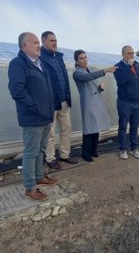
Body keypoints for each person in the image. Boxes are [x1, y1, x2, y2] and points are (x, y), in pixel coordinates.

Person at [8, 32, 58, 201]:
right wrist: (35, 107)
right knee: (31, 152)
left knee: (41, 150)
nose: (39, 45)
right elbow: (17, 90)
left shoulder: (39, 63)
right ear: (24, 46)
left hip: (45, 116)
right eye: (35, 42)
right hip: (33, 117)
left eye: (38, 43)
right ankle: (30, 188)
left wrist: (48, 109)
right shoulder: (18, 64)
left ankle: (39, 176)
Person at [40, 31, 78, 169]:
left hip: (63, 100)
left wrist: (67, 96)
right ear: (43, 41)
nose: (55, 43)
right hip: (50, 102)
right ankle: (50, 158)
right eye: (51, 40)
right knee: (50, 131)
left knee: (66, 128)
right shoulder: (40, 58)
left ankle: (65, 154)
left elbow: (64, 78)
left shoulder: (59, 57)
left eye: (55, 40)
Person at [73, 50, 117, 161]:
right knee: (89, 129)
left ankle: (93, 150)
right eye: (81, 58)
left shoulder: (88, 70)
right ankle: (85, 153)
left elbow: (91, 83)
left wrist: (100, 88)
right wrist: (105, 70)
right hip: (88, 103)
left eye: (85, 57)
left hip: (96, 102)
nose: (84, 60)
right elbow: (88, 78)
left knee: (95, 127)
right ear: (77, 61)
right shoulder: (77, 73)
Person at [114, 45, 139, 159]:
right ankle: (123, 149)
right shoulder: (118, 67)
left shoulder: (137, 64)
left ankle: (134, 148)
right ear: (123, 54)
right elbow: (121, 82)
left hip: (138, 101)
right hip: (125, 102)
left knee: (134, 127)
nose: (132, 55)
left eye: (133, 53)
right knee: (123, 126)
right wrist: (128, 66)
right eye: (129, 53)